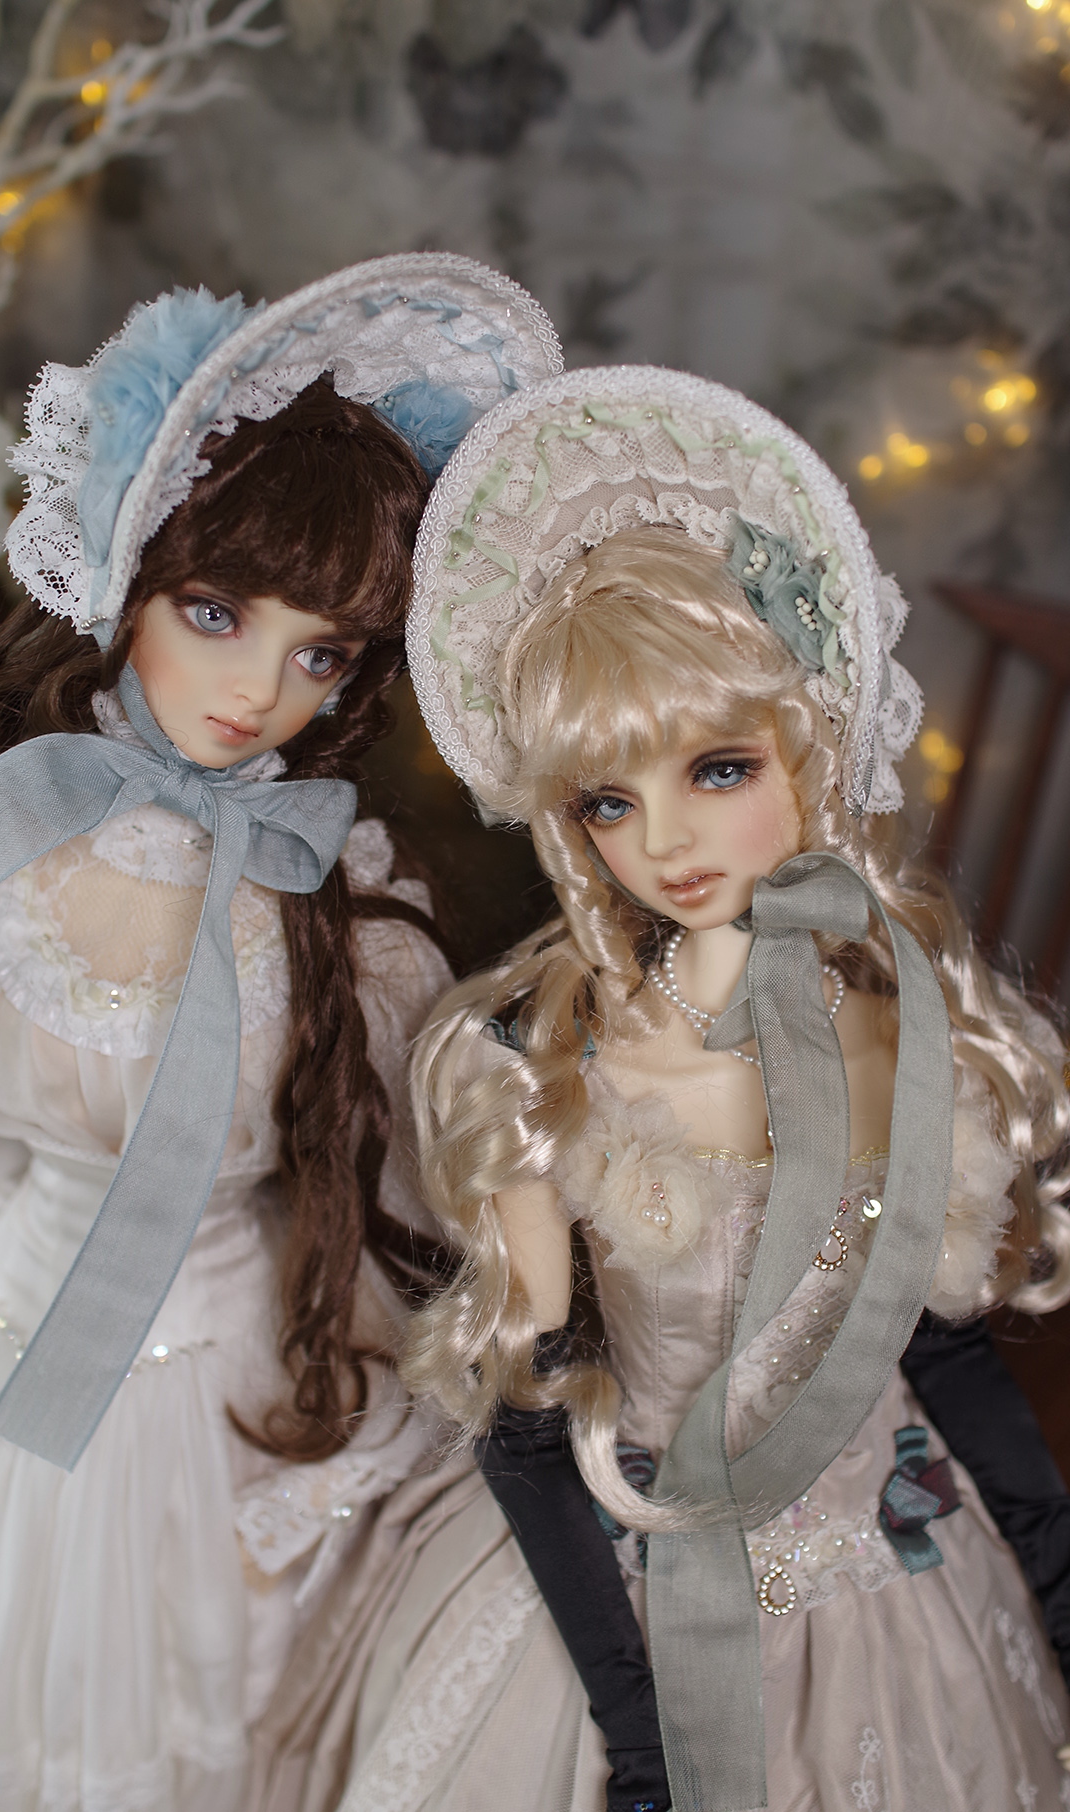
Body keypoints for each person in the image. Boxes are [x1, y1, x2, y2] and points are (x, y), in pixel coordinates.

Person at [265, 366, 1070, 1812]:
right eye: (609, 803)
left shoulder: (900, 1030)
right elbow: (526, 1415)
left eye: (719, 770)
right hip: (635, 1576)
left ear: (809, 748)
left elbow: (939, 1349)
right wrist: (640, 1731)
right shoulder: (539, 1066)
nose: (668, 846)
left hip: (895, 1572)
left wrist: (1056, 1571)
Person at [0, 256, 562, 1812]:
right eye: (216, 614)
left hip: (225, 1375)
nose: (258, 693)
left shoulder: (336, 911)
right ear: (126, 574)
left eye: (321, 653)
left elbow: (411, 1178)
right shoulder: (8, 831)